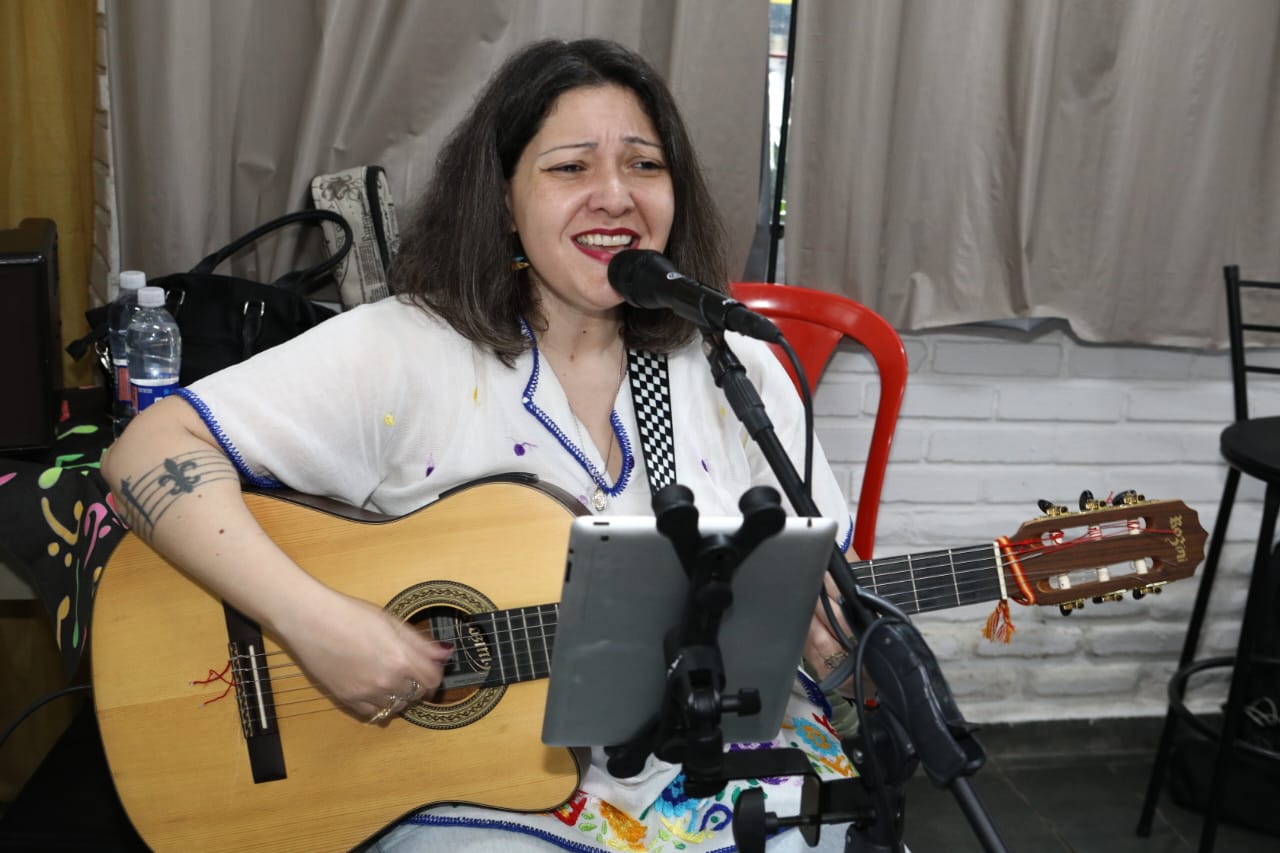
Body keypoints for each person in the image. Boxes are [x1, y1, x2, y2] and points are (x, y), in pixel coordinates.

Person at [103, 37, 863, 853]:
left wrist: (835, 643)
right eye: (571, 167)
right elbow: (146, 450)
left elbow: (831, 616)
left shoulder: (737, 366)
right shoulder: (406, 348)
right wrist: (313, 623)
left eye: (644, 165)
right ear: (503, 200)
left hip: (711, 775)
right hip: (482, 799)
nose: (615, 196)